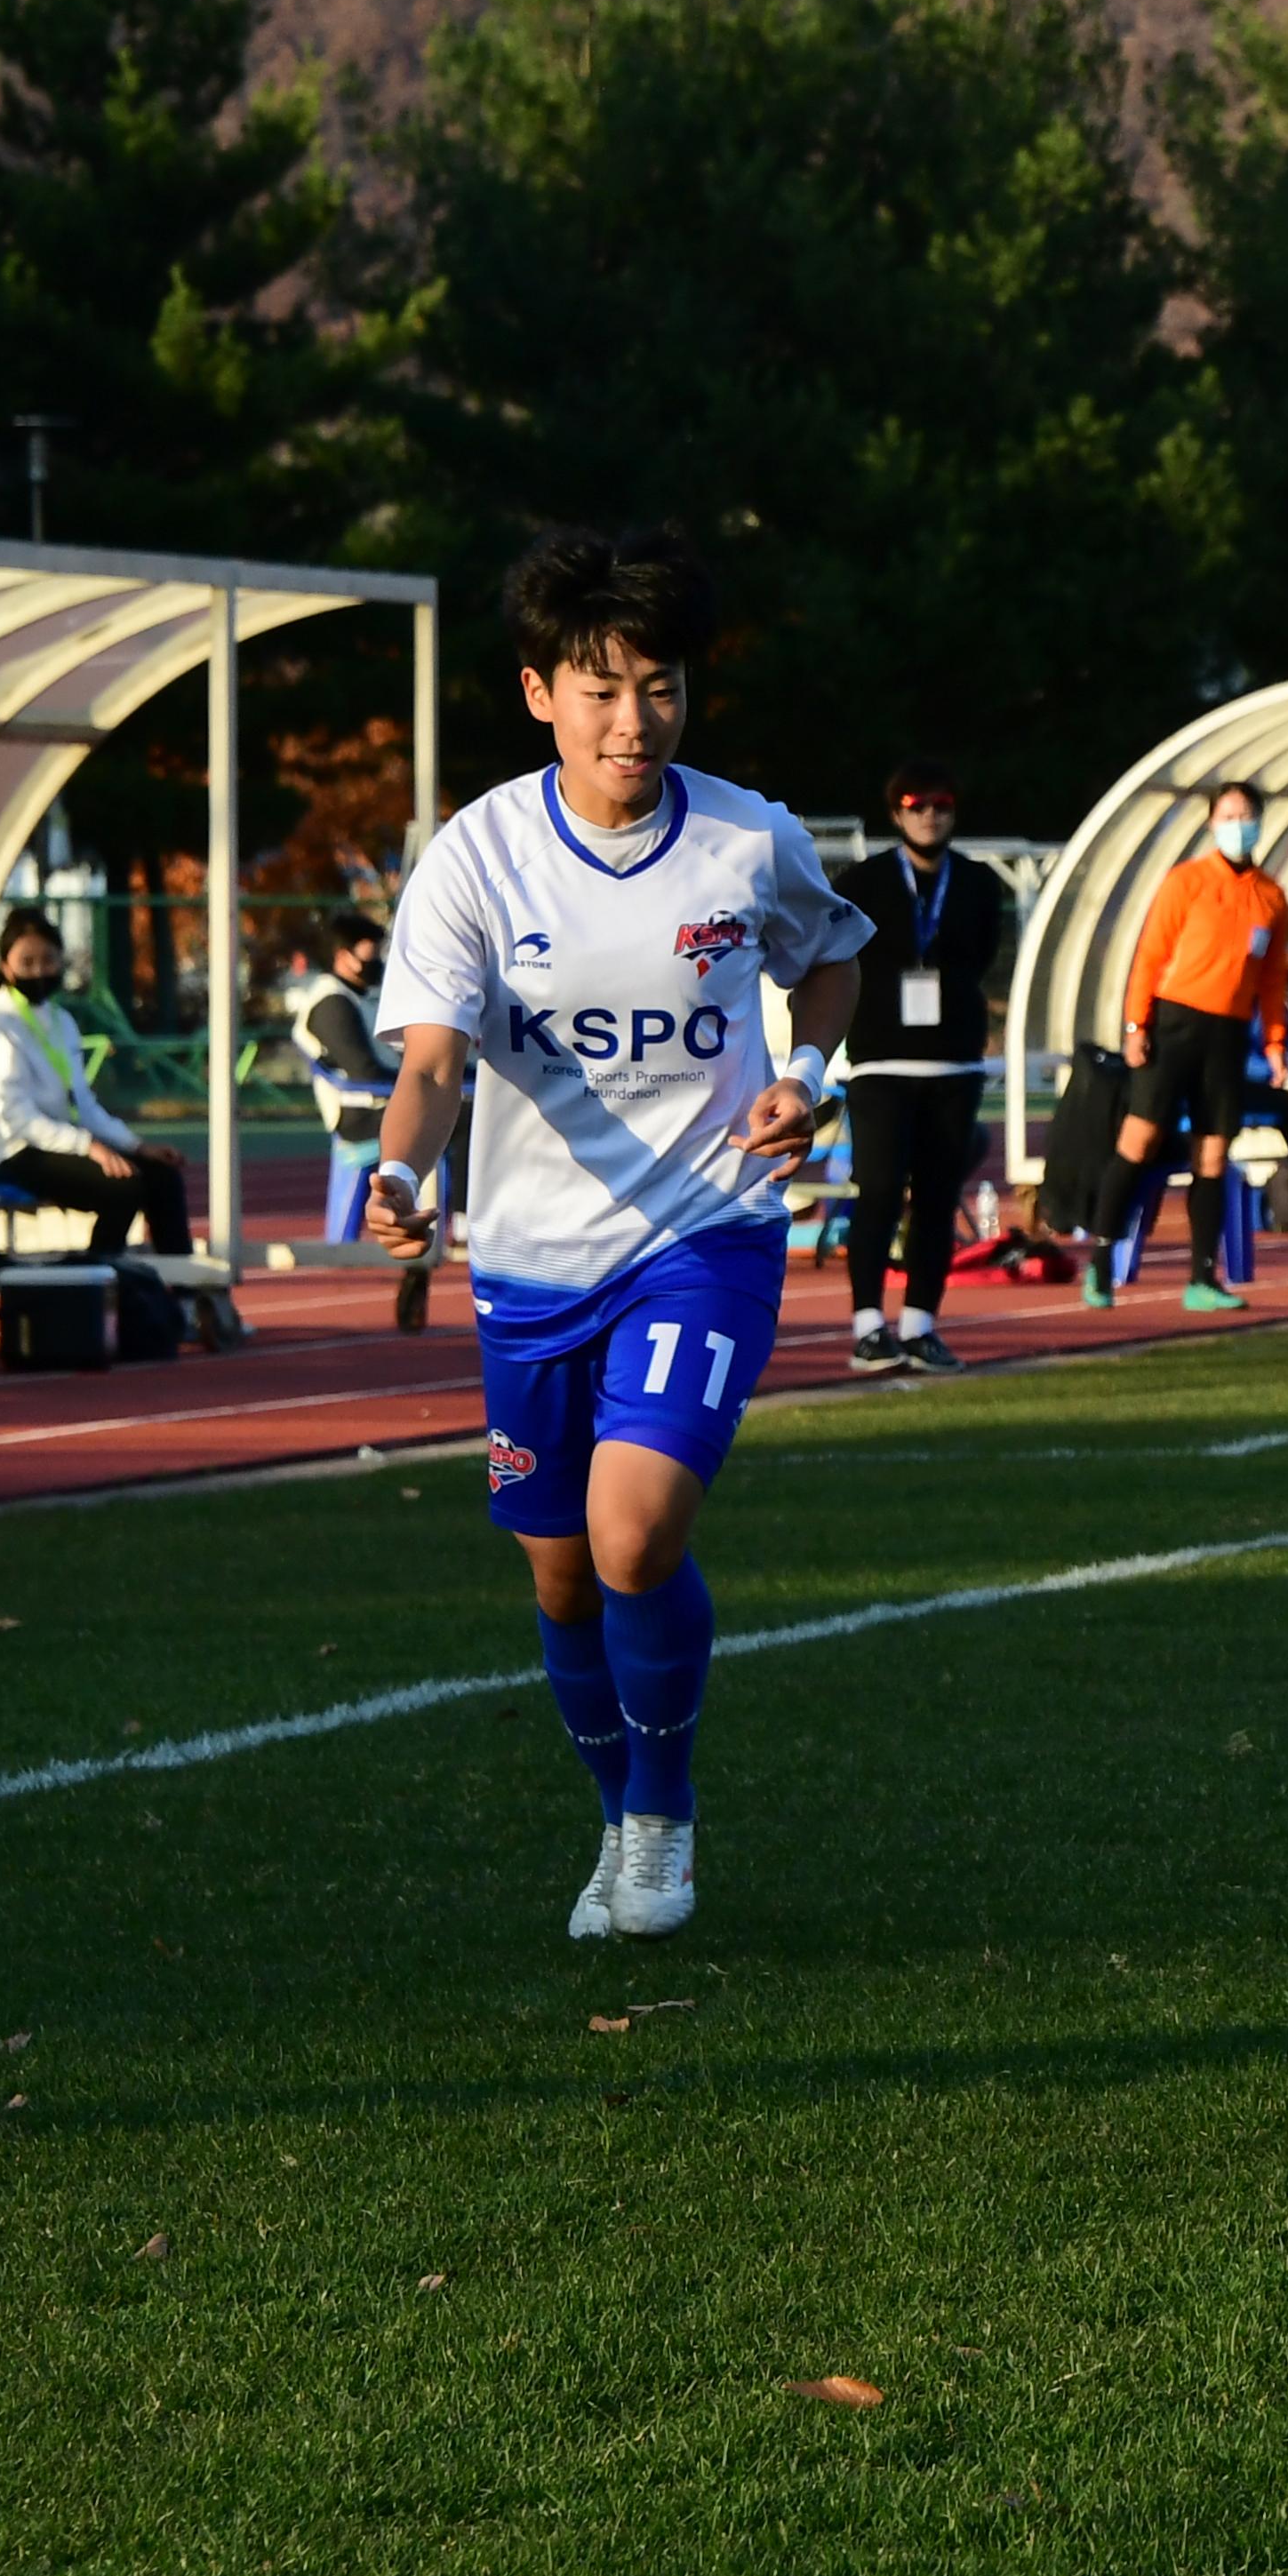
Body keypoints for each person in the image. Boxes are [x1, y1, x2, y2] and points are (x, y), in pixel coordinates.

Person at [364, 523, 867, 1948]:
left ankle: (661, 1820)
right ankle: (612, 1817)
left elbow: (829, 959)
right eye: (599, 689)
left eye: (658, 686)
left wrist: (805, 1079)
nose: (632, 719)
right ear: (540, 695)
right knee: (560, 1569)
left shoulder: (743, 835)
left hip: (705, 1233)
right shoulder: (478, 857)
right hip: (529, 1264)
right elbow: (433, 1066)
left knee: (633, 1532)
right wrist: (402, 1182)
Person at [836, 758, 1012, 1375]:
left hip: (954, 1064)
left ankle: (920, 1325)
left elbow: (983, 954)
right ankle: (867, 1325)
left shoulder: (977, 883)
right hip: (881, 1060)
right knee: (879, 1190)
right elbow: (840, 956)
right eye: (916, 804)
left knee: (938, 1199)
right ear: (896, 812)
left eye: (940, 804)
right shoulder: (863, 881)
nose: (929, 815)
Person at [1109, 778, 1288, 1315]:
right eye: (1228, 816)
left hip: (1228, 1034)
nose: (1239, 826)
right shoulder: (1186, 882)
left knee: (1213, 1154)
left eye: (1247, 816)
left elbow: (1272, 981)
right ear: (1212, 824)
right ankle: (1100, 1256)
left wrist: (1276, 1043)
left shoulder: (1270, 896)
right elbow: (1150, 954)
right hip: (1175, 1023)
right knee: (1140, 1139)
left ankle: (1202, 1277)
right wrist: (1134, 1025)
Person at [0, 908, 195, 1255]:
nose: (38, 971)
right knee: (124, 1187)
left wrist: (136, 1145)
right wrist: (86, 1146)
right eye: (26, 961)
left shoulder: (60, 1021)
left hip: (53, 1141)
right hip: (8, 1150)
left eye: (48, 960)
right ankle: (95, 1279)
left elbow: (83, 1105)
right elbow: (16, 1119)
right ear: (4, 966)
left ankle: (182, 1286)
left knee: (162, 1175)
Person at [291, 914, 400, 1239]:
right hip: (359, 1113)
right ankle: (465, 1225)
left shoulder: (363, 996)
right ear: (344, 957)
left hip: (384, 1102)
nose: (380, 960)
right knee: (461, 1119)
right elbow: (363, 1070)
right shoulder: (332, 1003)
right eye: (372, 952)